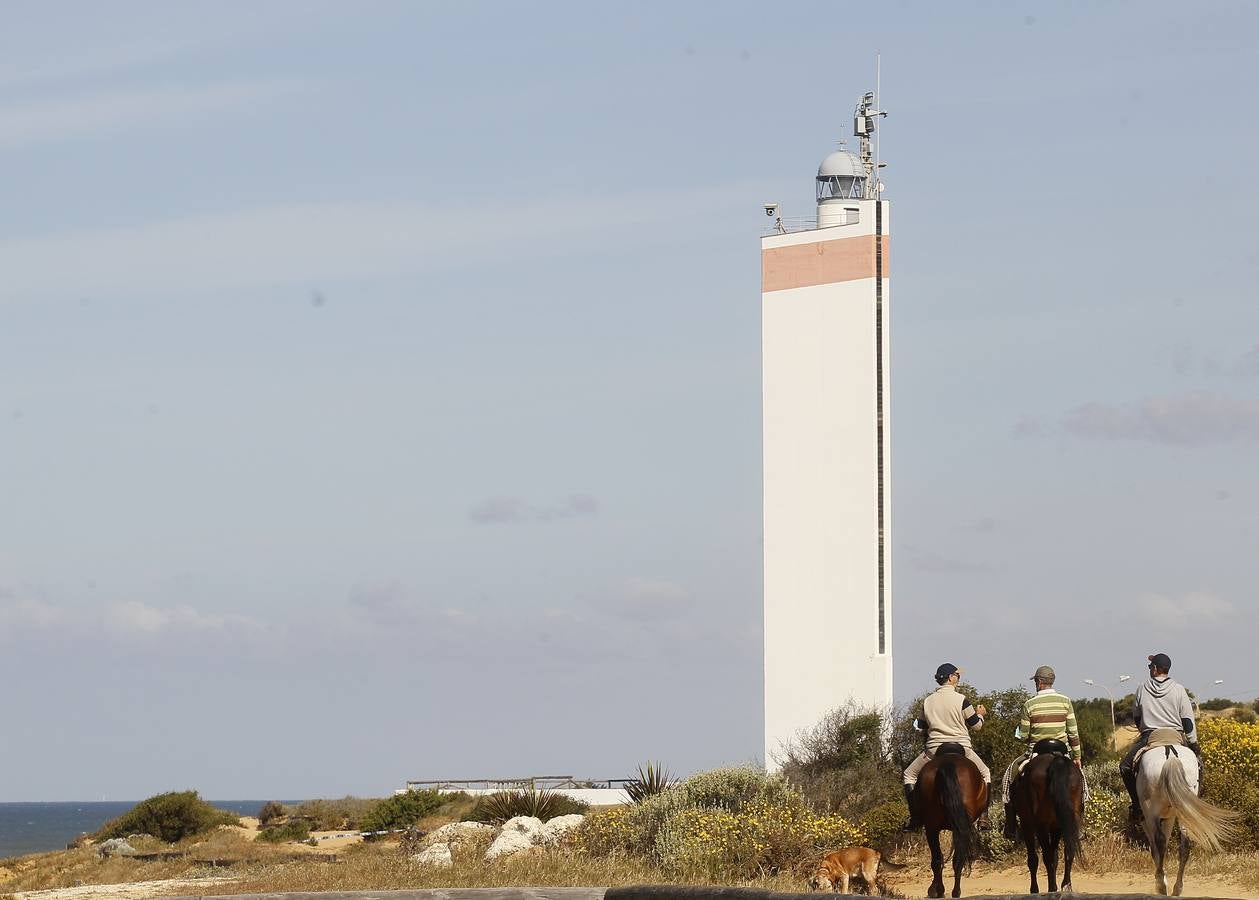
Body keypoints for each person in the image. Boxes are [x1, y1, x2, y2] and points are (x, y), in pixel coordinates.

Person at [902, 662, 993, 830]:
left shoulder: (927, 701)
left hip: (934, 749)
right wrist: (981, 715)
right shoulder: (962, 700)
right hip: (962, 748)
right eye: (957, 675)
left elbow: (921, 726)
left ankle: (915, 818)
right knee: (985, 773)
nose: (958, 678)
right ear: (951, 678)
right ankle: (984, 817)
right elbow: (976, 726)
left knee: (909, 775)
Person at [1001, 665, 1082, 839]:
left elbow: (1022, 736)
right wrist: (1077, 757)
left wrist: (1018, 731)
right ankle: (1078, 821)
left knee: (1010, 775)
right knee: (1082, 781)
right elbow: (1073, 733)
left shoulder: (1029, 704)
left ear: (1038, 682)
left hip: (1036, 753)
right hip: (1062, 752)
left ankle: (1011, 824)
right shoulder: (1065, 701)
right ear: (1052, 682)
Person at [1118, 652, 1199, 822]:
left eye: (1150, 667)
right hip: (1175, 735)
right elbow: (1187, 721)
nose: (1149, 669)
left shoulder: (1142, 688)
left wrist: (1144, 729)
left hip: (1150, 736)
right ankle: (1196, 801)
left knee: (1125, 766)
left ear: (1155, 669)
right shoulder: (1179, 689)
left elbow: (1137, 716)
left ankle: (1137, 806)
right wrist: (1193, 742)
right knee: (1199, 765)